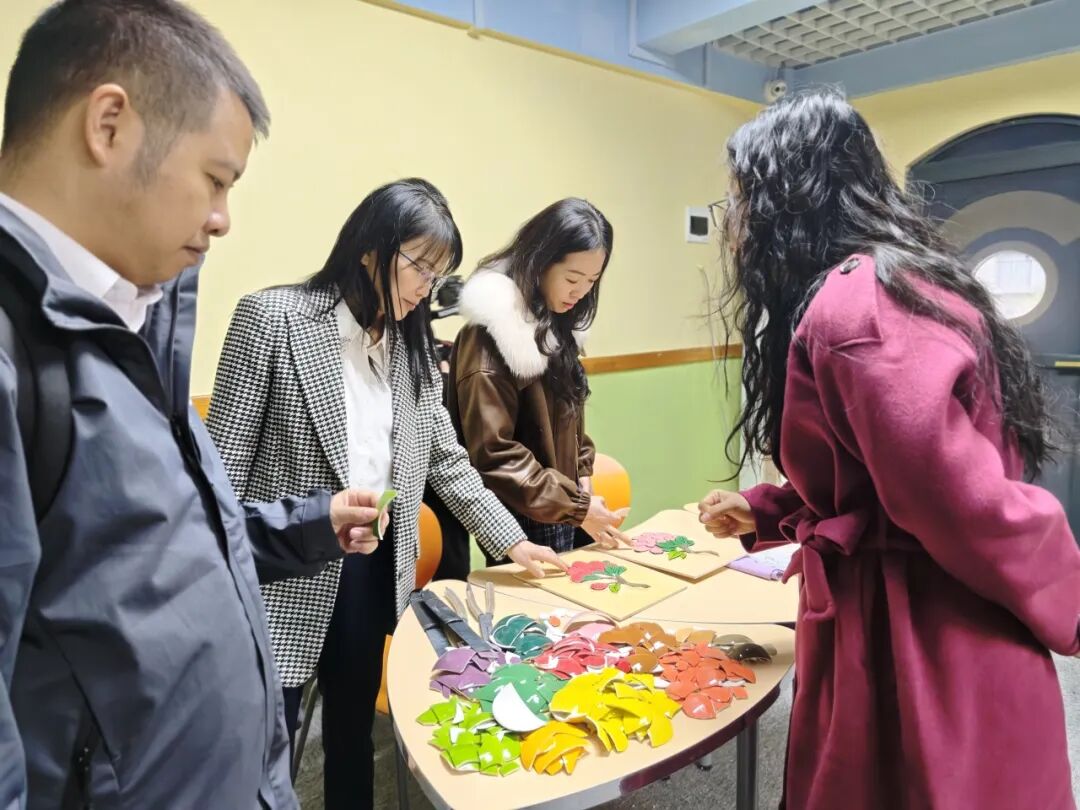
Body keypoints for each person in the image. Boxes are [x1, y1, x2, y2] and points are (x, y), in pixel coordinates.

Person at [0, 2, 382, 808]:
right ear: (108, 126)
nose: (222, 219)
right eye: (215, 180)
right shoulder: (21, 349)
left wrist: (308, 524)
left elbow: (168, 550)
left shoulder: (134, 318)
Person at [698, 90, 1080, 810]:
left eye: (742, 200)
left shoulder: (862, 305)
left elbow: (959, 500)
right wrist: (768, 510)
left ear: (789, 198)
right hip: (901, 614)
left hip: (924, 638)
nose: (735, 224)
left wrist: (1069, 589)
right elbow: (875, 474)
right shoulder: (884, 285)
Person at [206, 178, 564, 809]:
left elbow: (448, 463)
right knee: (262, 748)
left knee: (351, 732)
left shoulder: (411, 348)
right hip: (280, 573)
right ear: (371, 247)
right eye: (418, 266)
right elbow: (220, 476)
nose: (426, 287)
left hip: (371, 568)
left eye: (437, 274)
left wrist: (512, 543)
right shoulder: (273, 319)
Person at [447, 198, 628, 565]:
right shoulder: (491, 335)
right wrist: (575, 504)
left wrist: (583, 474)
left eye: (592, 281)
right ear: (540, 261)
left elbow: (570, 420)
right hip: (521, 513)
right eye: (572, 279)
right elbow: (494, 454)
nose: (581, 292)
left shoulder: (556, 322)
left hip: (560, 502)